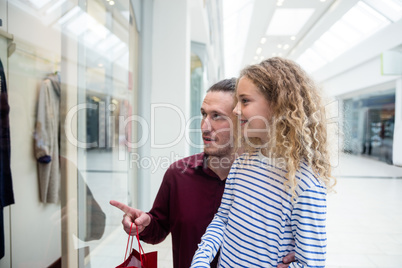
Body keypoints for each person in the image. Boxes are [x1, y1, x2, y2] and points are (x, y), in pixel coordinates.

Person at [110, 78, 296, 268]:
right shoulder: (178, 175)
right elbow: (158, 230)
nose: (204, 126)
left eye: (217, 116)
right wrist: (145, 224)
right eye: (203, 114)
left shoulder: (270, 181)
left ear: (243, 122)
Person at [191, 57, 336, 267]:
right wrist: (201, 261)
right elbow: (222, 220)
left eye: (245, 101)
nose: (235, 110)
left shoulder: (304, 185)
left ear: (278, 105)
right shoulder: (242, 166)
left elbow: (312, 264)